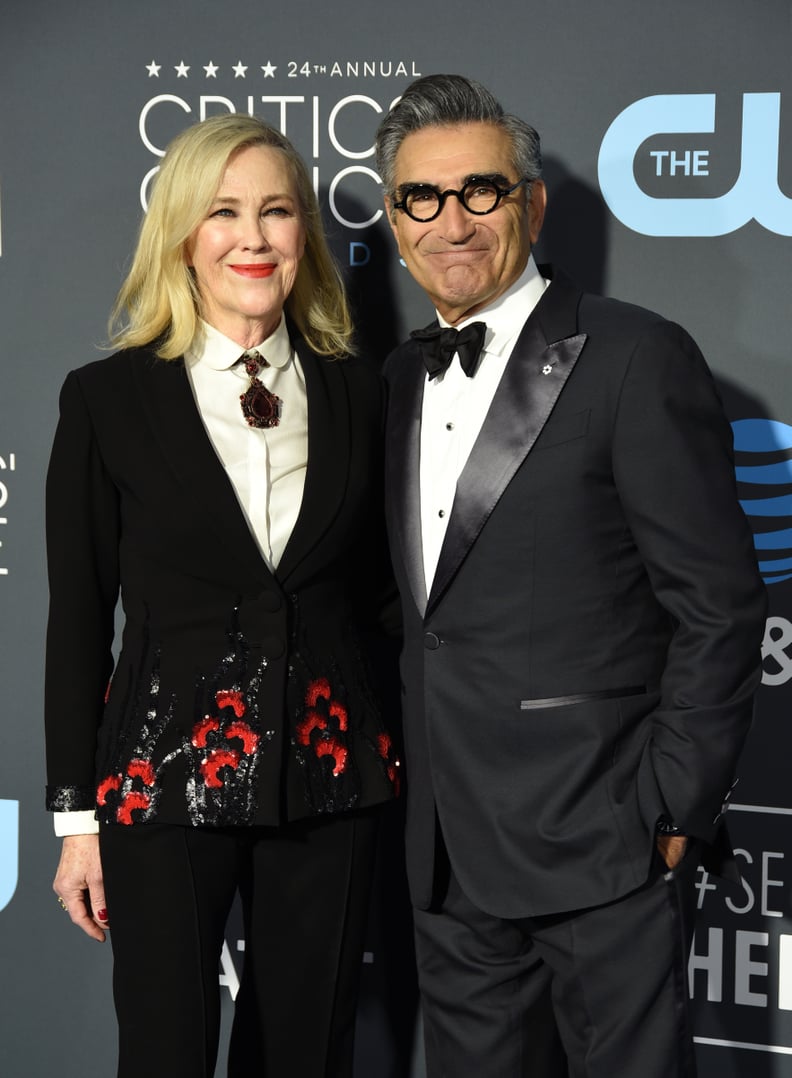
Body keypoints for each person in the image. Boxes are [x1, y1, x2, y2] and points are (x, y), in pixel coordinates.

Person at [374, 74, 767, 1077]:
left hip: (602, 842)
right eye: (422, 197)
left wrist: (673, 810)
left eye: (481, 192)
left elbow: (717, 603)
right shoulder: (393, 380)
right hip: (446, 854)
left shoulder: (638, 359)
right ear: (394, 217)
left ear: (532, 203)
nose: (451, 221)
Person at [45, 112, 400, 1078]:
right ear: (182, 238)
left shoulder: (362, 395)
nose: (253, 237)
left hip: (329, 778)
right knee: (164, 1050)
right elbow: (79, 621)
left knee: (305, 1051)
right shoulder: (108, 399)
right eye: (224, 212)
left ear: (304, 238)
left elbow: (379, 606)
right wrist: (77, 824)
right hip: (160, 780)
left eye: (277, 211)